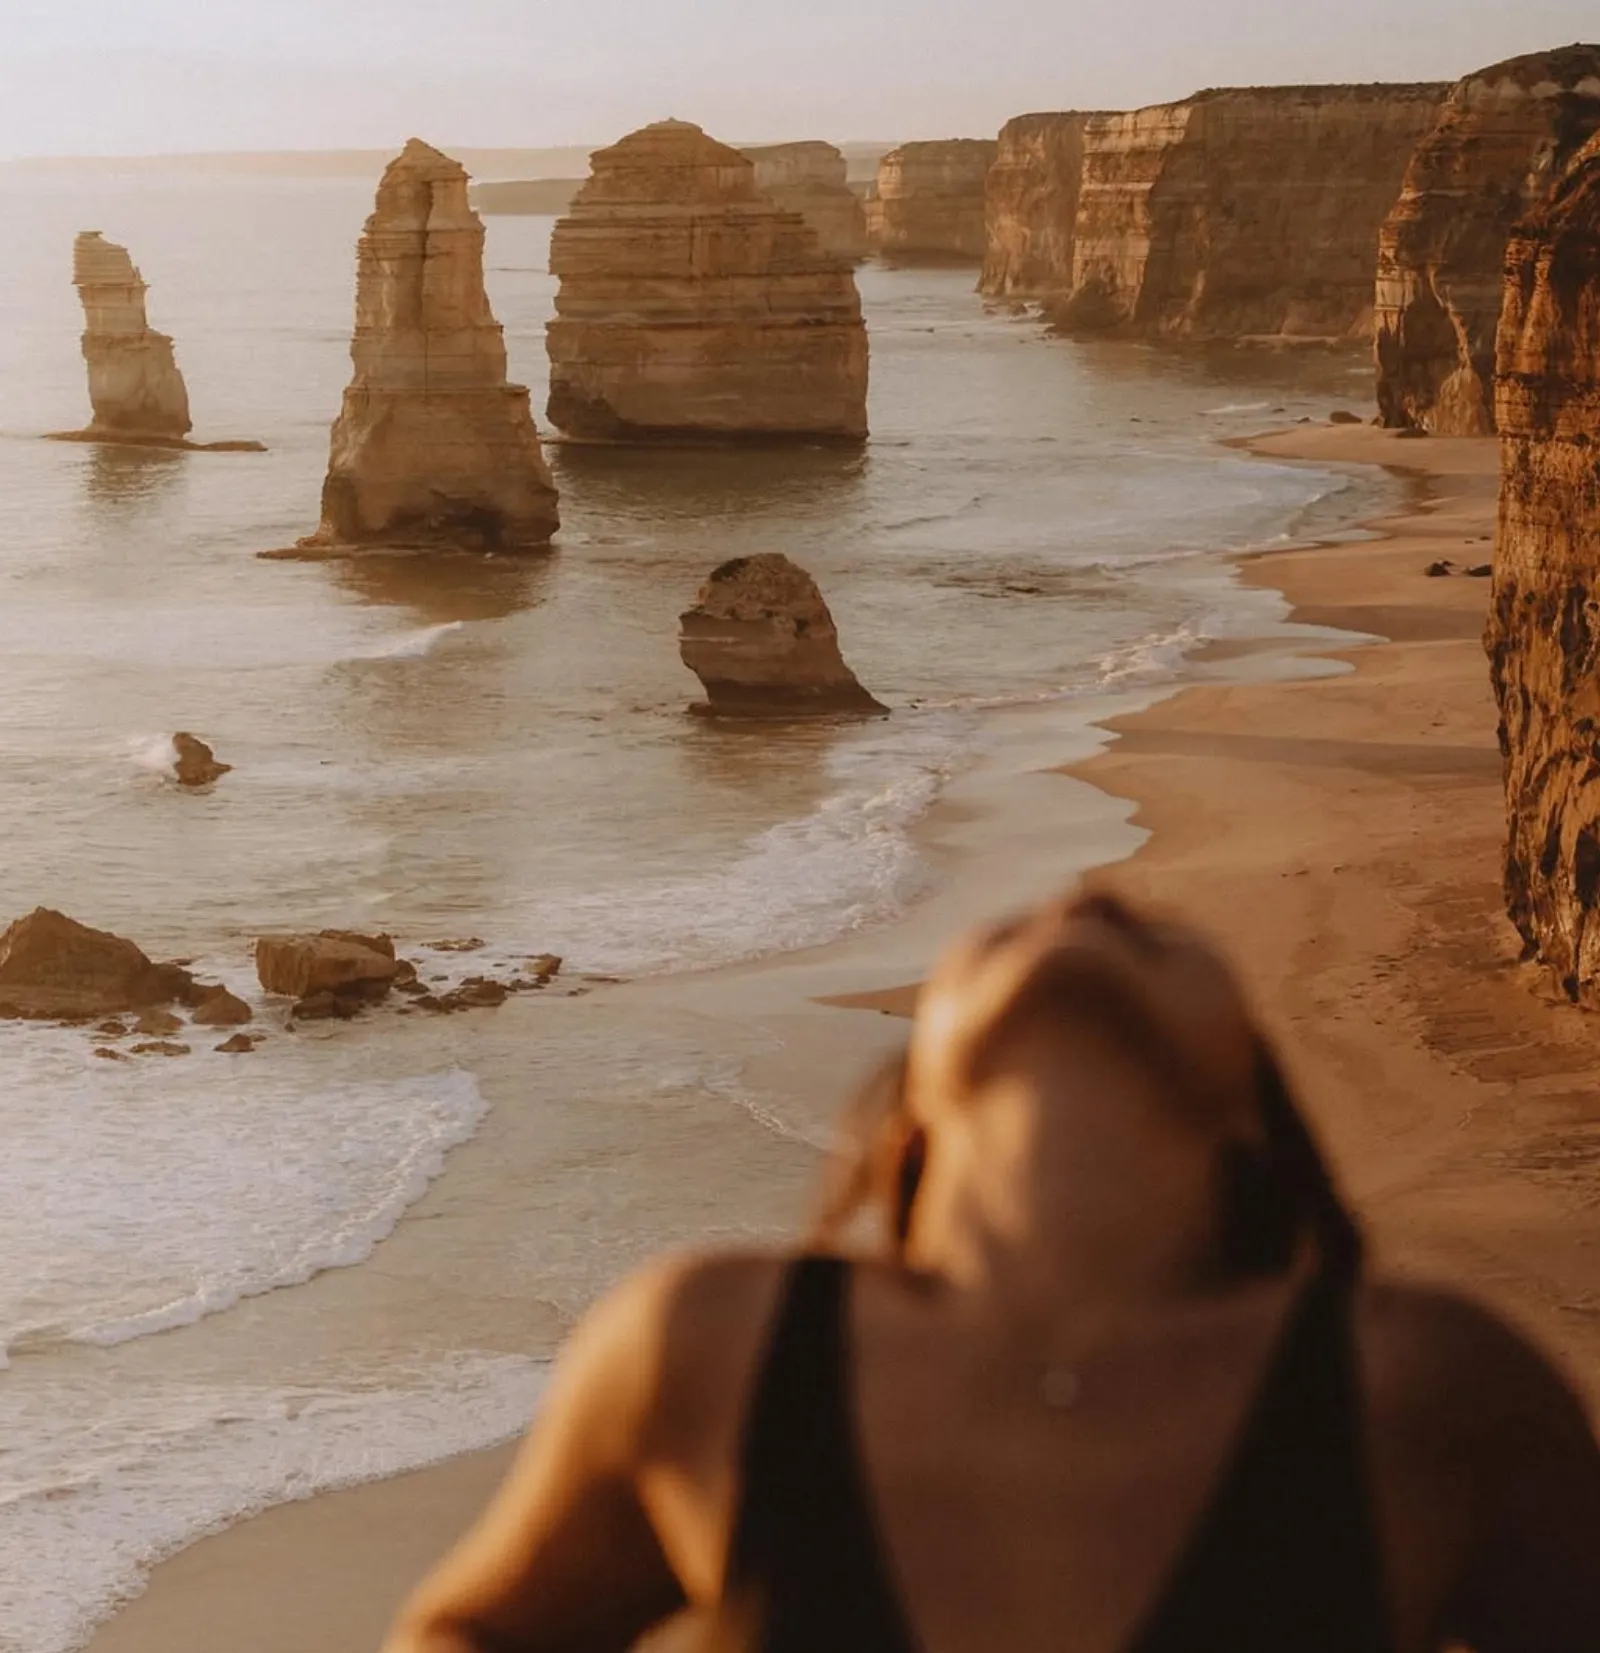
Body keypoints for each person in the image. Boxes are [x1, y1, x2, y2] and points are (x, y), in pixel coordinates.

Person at [382, 890, 1600, 1653]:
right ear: (913, 1108)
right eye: (1009, 925)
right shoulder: (705, 1349)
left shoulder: (1421, 1388)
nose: (1083, 901)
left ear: (1249, 1114)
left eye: (1162, 933)